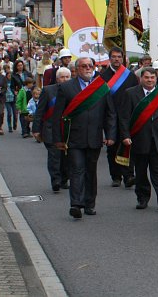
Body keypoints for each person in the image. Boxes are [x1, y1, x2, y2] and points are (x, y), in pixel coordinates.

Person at [52, 57, 116, 219]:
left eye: (90, 66)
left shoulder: (102, 87)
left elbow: (110, 113)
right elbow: (58, 115)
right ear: (77, 69)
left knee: (90, 171)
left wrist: (110, 135)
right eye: (84, 66)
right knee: (77, 169)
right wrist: (58, 138)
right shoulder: (66, 88)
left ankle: (89, 203)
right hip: (74, 137)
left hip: (94, 136)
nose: (88, 68)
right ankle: (76, 204)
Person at [120, 67, 158, 211]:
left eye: (152, 77)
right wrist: (125, 135)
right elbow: (124, 117)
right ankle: (142, 198)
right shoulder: (130, 93)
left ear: (156, 78)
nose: (150, 80)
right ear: (141, 78)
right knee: (140, 172)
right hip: (139, 139)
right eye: (147, 77)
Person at [101, 47, 139, 188]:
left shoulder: (130, 76)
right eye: (114, 57)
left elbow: (136, 94)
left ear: (122, 58)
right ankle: (116, 176)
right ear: (109, 58)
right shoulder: (103, 76)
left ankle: (128, 175)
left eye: (119, 57)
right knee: (112, 147)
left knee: (128, 145)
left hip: (128, 115)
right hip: (110, 117)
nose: (116, 59)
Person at [33, 67, 72, 192]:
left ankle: (64, 179)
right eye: (62, 77)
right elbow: (40, 111)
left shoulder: (74, 90)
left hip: (67, 129)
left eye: (67, 77)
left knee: (66, 157)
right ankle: (56, 180)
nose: (65, 79)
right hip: (50, 129)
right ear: (57, 78)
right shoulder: (48, 90)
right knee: (54, 157)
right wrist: (36, 129)